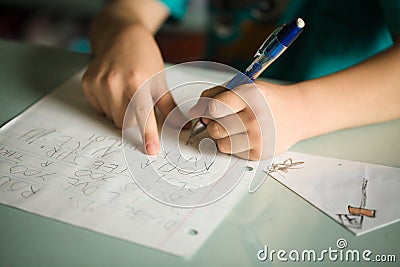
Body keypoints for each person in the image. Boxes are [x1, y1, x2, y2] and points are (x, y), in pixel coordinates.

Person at [82, 0, 400, 160]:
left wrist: (304, 109)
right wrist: (124, 30)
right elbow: (127, 10)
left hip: (343, 140)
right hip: (217, 108)